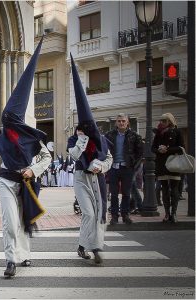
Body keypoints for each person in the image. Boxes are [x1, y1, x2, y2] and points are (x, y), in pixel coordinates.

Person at [0, 36, 51, 278]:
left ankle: (23, 255)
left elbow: (47, 158)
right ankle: (10, 260)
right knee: (9, 222)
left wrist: (32, 170)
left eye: (8, 119)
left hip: (26, 181)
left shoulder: (31, 137)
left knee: (24, 221)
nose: (5, 122)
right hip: (6, 180)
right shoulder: (3, 136)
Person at [68, 54, 113, 264]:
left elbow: (109, 159)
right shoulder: (74, 139)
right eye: (81, 128)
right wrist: (81, 140)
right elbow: (75, 155)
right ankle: (91, 247)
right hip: (80, 178)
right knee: (88, 213)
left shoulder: (102, 140)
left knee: (99, 213)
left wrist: (101, 166)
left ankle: (87, 247)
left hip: (97, 179)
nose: (84, 130)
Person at [105, 113, 143, 225]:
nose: (121, 123)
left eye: (123, 121)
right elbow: (104, 150)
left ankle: (125, 215)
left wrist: (133, 167)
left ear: (127, 123)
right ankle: (114, 216)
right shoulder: (109, 135)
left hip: (127, 168)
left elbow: (140, 153)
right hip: (113, 168)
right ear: (116, 122)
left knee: (126, 193)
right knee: (114, 193)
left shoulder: (134, 135)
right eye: (119, 121)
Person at [151, 113, 185, 223]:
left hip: (174, 164)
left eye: (164, 121)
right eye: (161, 120)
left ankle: (173, 213)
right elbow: (153, 148)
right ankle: (166, 213)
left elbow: (181, 148)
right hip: (161, 164)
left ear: (170, 121)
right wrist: (159, 149)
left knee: (174, 190)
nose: (161, 122)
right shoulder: (158, 133)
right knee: (164, 189)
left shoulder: (177, 132)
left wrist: (167, 149)